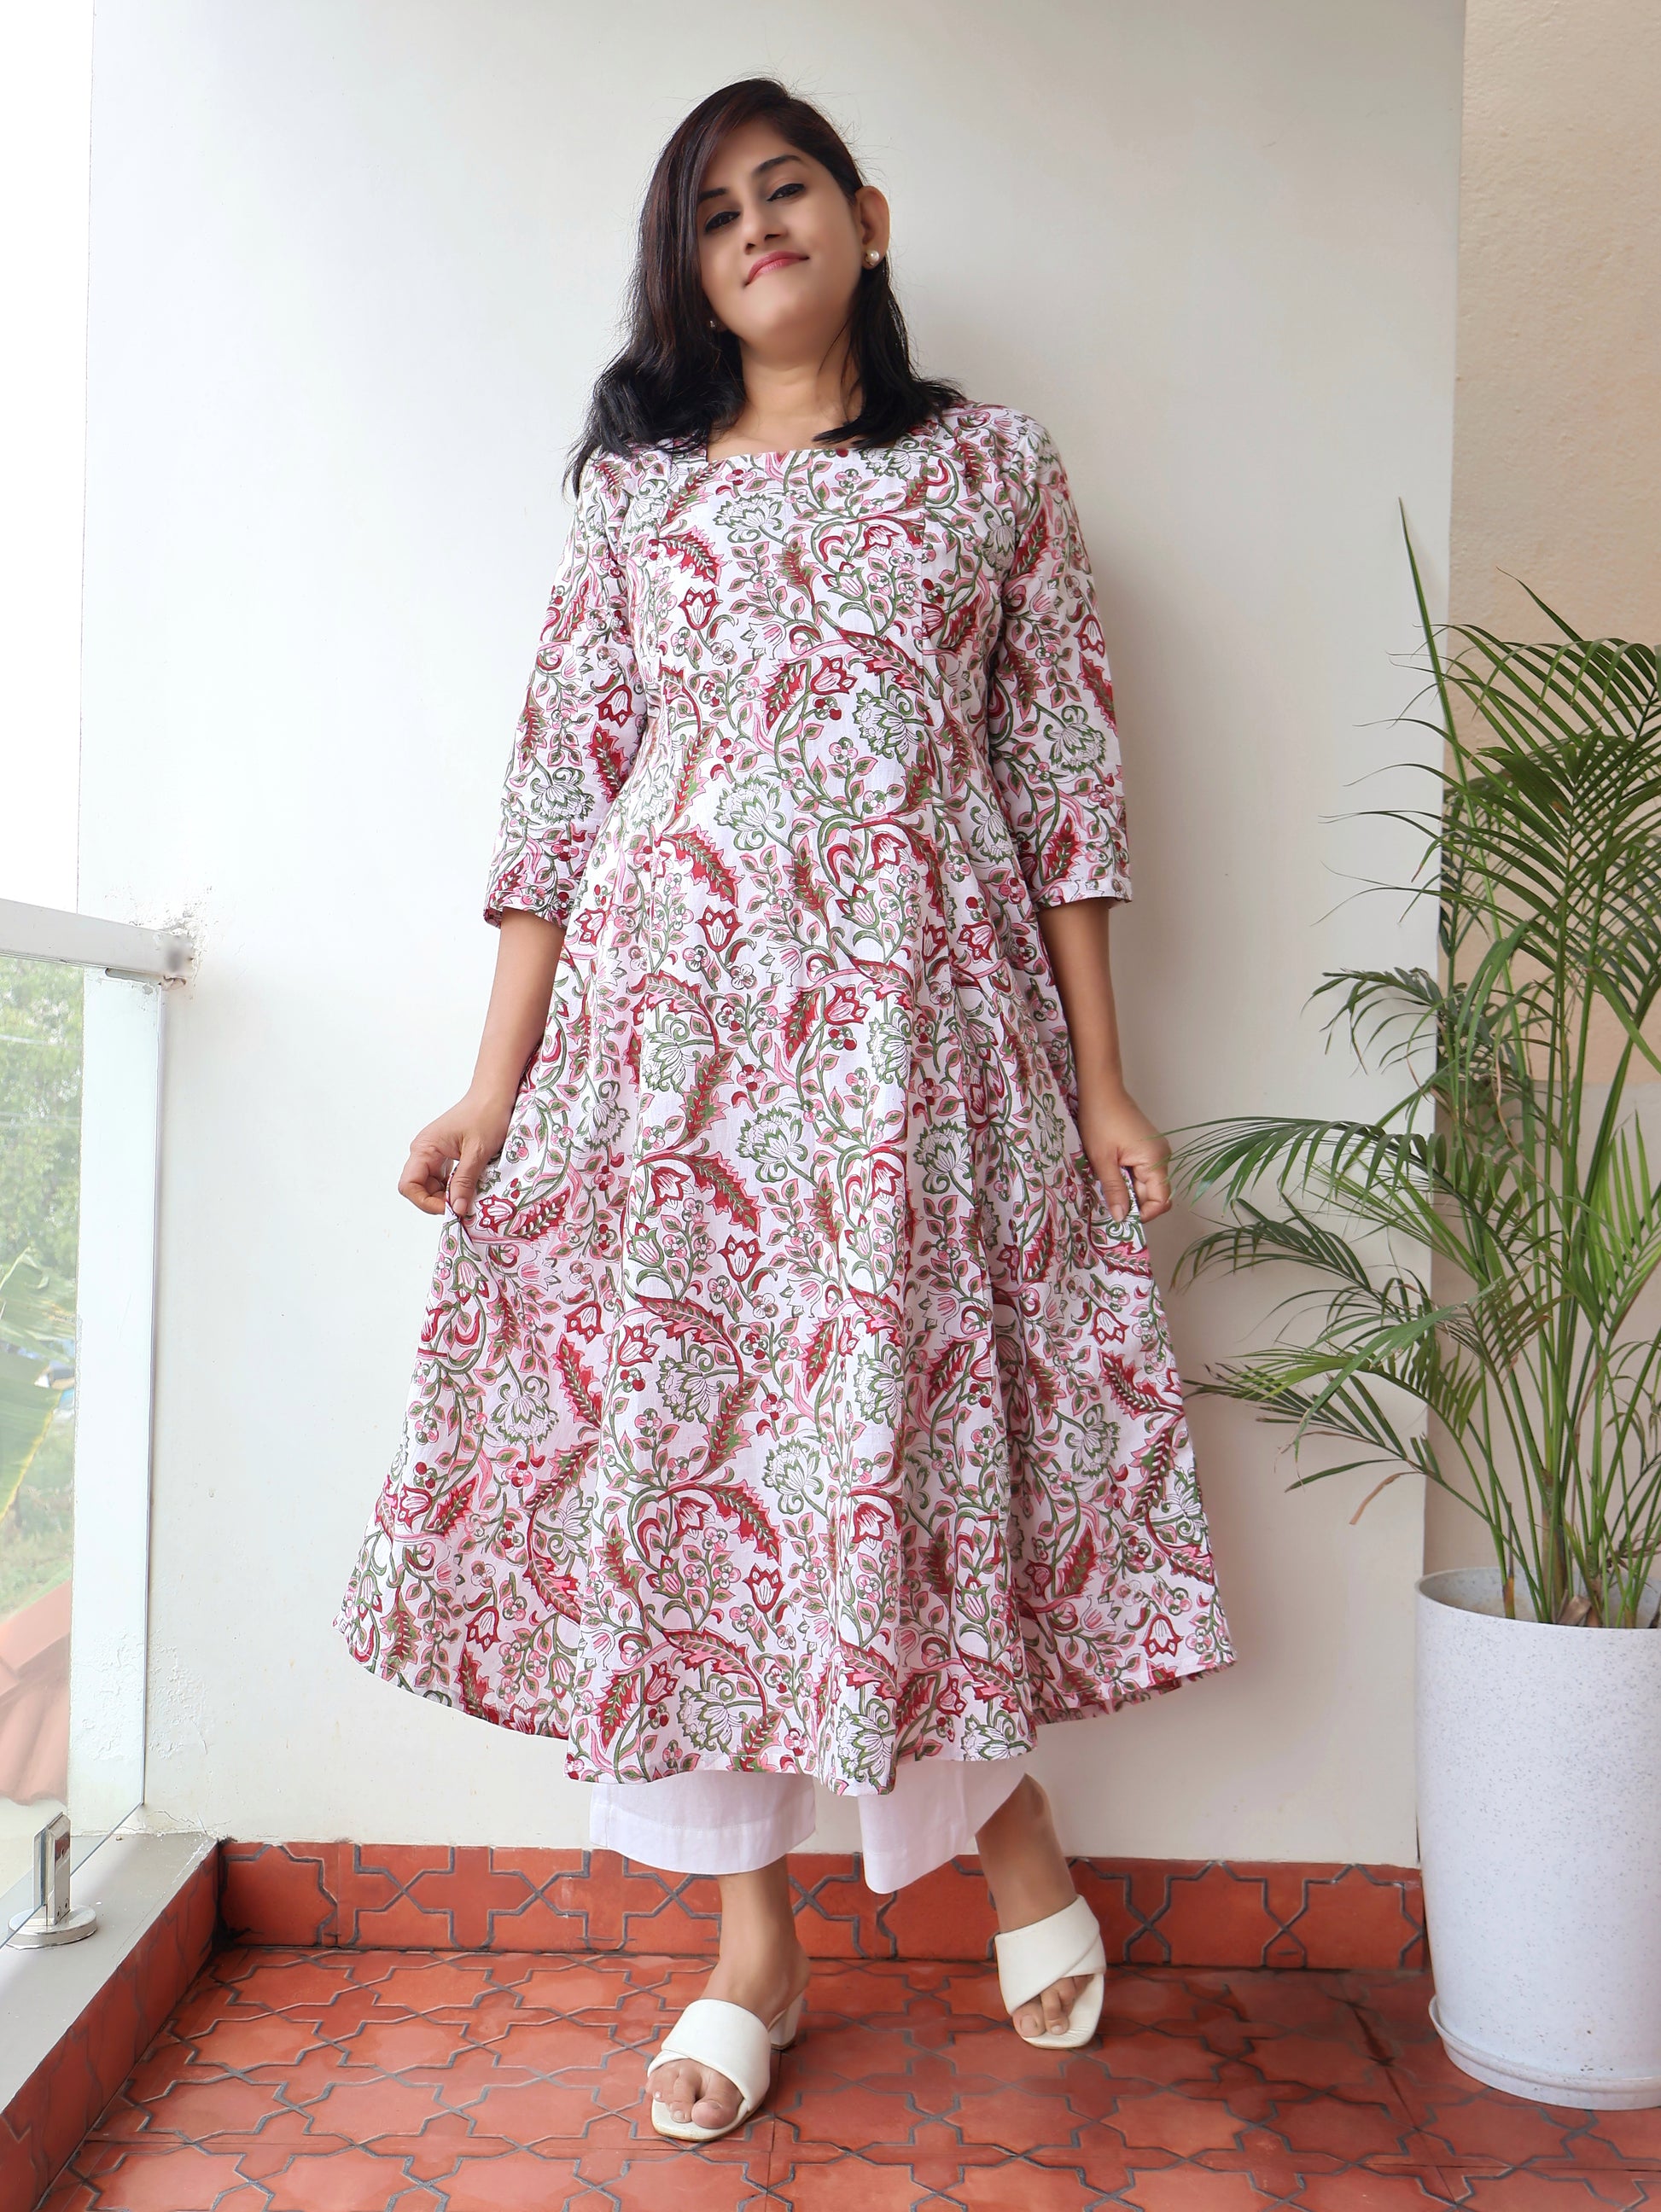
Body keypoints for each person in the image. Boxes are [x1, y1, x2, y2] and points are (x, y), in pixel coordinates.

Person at [335, 75, 1233, 2145]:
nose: (757, 228)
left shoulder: (988, 469)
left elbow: (1063, 788)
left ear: (866, 215)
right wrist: (495, 1084)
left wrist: (1102, 1078)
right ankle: (753, 1941)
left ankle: (1001, 1833)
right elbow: (560, 788)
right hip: (665, 1064)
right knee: (687, 1478)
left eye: (788, 188)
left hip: (919, 1057)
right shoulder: (635, 498)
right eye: (715, 214)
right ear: (689, 273)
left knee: (879, 1459)